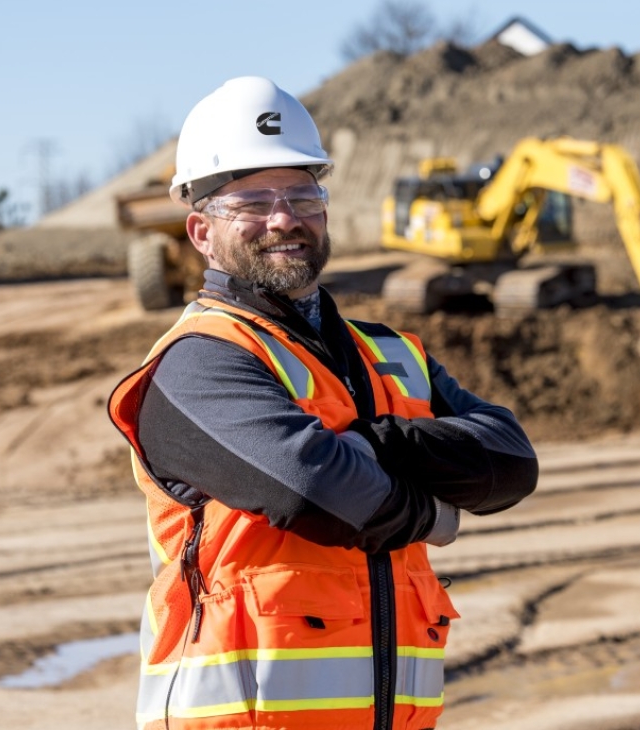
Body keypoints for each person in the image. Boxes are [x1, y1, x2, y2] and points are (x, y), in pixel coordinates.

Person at [109, 76, 538, 730]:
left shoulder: (391, 354)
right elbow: (307, 486)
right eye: (251, 200)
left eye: (302, 194)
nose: (284, 217)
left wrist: (378, 444)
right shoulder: (196, 364)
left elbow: (510, 460)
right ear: (200, 231)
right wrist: (433, 514)